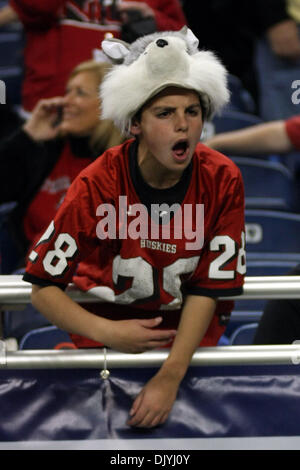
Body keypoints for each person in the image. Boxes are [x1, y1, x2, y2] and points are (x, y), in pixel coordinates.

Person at [23, 27, 245, 428]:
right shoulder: (97, 181)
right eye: (165, 113)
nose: (183, 125)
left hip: (189, 347)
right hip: (102, 345)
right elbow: (43, 289)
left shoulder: (222, 177)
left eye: (192, 112)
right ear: (135, 124)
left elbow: (209, 287)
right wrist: (107, 331)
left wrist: (171, 374)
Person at [0, 59, 124, 272]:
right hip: (32, 274)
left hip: (88, 279)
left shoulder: (125, 162)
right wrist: (28, 135)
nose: (67, 101)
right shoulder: (50, 150)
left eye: (80, 93)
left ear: (109, 104)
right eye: (68, 91)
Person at [0, 0, 186, 114]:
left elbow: (182, 42)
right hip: (52, 104)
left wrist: (153, 19)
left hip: (122, 109)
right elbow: (35, 7)